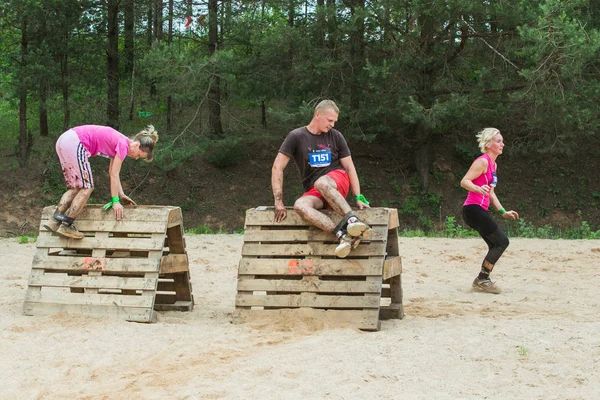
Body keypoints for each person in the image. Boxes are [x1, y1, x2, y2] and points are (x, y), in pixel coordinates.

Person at [271, 100, 371, 258]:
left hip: (336, 180)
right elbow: (278, 167)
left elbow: (350, 167)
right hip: (315, 189)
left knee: (322, 183)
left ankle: (353, 221)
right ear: (317, 115)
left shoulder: (336, 136)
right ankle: (343, 234)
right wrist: (278, 200)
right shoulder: (296, 136)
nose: (332, 124)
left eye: (334, 121)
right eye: (330, 120)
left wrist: (358, 196)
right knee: (300, 205)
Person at [43, 125, 159, 239]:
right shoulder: (124, 145)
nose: (135, 158)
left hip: (64, 140)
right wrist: (115, 202)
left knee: (77, 187)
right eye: (138, 154)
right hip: (77, 142)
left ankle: (54, 221)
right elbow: (114, 174)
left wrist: (121, 195)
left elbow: (112, 173)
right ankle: (66, 225)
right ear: (136, 144)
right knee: (87, 187)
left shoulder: (120, 142)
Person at [460, 127, 519, 294]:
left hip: (479, 210)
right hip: (473, 209)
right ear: (488, 144)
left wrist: (503, 212)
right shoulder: (483, 161)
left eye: (502, 141)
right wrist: (477, 189)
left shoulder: (493, 165)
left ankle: (482, 279)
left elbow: (492, 194)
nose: (502, 144)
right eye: (498, 141)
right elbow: (464, 181)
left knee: (496, 244)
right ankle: (482, 279)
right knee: (502, 241)